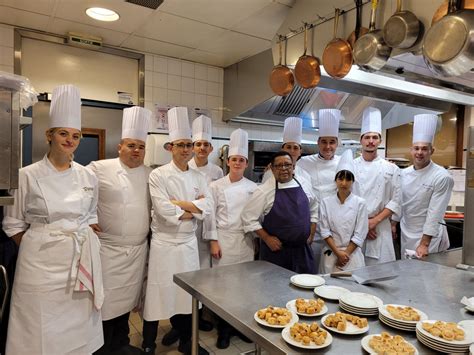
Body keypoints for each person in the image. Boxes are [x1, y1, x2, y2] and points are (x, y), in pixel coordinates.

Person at [3, 84, 104, 354]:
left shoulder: (88, 176)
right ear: (49, 135)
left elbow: (92, 213)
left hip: (79, 259)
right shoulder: (26, 175)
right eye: (63, 134)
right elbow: (12, 223)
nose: (70, 140)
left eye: (76, 136)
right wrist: (40, 245)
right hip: (40, 266)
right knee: (38, 324)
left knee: (78, 322)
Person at [142, 107, 212, 355]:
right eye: (180, 144)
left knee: (187, 295)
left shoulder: (199, 176)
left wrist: (179, 205)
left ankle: (187, 341)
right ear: (170, 147)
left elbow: (208, 207)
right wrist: (194, 207)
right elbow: (162, 211)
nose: (185, 149)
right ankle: (148, 344)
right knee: (157, 293)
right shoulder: (158, 174)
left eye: (188, 145)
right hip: (164, 243)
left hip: (188, 243)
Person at [88, 106, 152, 355]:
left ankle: (121, 344)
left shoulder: (151, 174)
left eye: (141, 146)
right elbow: (81, 196)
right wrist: (87, 219)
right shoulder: (98, 168)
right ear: (120, 146)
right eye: (131, 145)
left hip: (137, 251)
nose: (136, 151)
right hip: (107, 249)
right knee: (103, 303)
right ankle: (101, 348)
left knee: (127, 302)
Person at [161, 115, 220, 347]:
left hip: (203, 235)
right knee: (177, 281)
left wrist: (213, 237)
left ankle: (196, 319)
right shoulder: (181, 167)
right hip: (179, 233)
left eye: (206, 144)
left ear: (211, 148)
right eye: (197, 144)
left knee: (199, 281)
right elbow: (171, 206)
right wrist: (197, 206)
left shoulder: (216, 171)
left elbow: (211, 208)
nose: (200, 148)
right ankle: (179, 327)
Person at [209, 128, 257, 349]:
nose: (237, 163)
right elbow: (209, 216)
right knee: (224, 289)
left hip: (246, 242)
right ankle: (224, 330)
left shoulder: (253, 188)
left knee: (244, 288)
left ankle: (241, 327)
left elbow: (257, 217)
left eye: (241, 160)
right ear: (228, 162)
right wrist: (213, 241)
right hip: (224, 241)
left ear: (246, 163)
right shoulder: (215, 186)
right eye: (234, 159)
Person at [242, 151, 317, 273]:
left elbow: (314, 206)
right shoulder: (264, 191)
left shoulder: (304, 184)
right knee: (276, 289)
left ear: (293, 167)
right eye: (279, 165)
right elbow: (248, 218)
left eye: (287, 164)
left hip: (302, 252)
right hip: (276, 254)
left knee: (305, 289)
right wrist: (266, 238)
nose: (283, 169)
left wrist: (312, 230)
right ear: (271, 169)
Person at [395, 114, 454, 258]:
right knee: (407, 274)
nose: (419, 152)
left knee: (427, 276)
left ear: (431, 151)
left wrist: (424, 243)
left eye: (424, 149)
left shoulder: (441, 176)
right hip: (407, 231)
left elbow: (435, 214)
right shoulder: (403, 174)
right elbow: (399, 202)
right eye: (416, 148)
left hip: (429, 237)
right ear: (411, 150)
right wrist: (393, 223)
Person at [352, 107, 401, 265]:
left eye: (375, 137)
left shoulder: (391, 168)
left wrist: (373, 222)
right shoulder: (350, 167)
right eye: (367, 137)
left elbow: (396, 200)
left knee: (381, 274)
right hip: (354, 227)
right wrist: (363, 224)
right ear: (361, 140)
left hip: (381, 227)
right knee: (354, 274)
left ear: (380, 141)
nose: (371, 141)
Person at [297, 108, 341, 272]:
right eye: (324, 142)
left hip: (335, 226)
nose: (328, 146)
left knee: (331, 270)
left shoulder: (344, 163)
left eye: (332, 142)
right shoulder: (304, 162)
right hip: (312, 226)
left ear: (337, 143)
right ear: (318, 142)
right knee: (311, 268)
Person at [319, 150, 368, 273]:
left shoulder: (360, 203)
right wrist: (338, 253)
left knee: (353, 290)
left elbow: (360, 233)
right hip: (331, 254)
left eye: (348, 179)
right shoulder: (326, 202)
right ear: (335, 180)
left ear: (353, 181)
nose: (344, 183)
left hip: (352, 256)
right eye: (340, 179)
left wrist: (345, 254)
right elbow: (324, 231)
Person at [261, 116, 311, 184]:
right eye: (288, 147)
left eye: (295, 148)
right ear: (282, 150)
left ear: (300, 152)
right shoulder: (270, 172)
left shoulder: (305, 175)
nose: (292, 151)